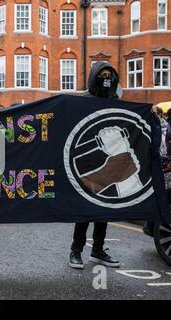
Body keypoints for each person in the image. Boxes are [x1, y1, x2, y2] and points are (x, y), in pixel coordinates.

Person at [69, 61, 121, 269]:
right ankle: (76, 250)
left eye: (109, 74)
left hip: (110, 161)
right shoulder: (83, 101)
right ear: (94, 76)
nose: (106, 77)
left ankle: (98, 250)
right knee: (85, 210)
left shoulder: (116, 100)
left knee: (104, 210)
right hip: (87, 163)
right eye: (102, 74)